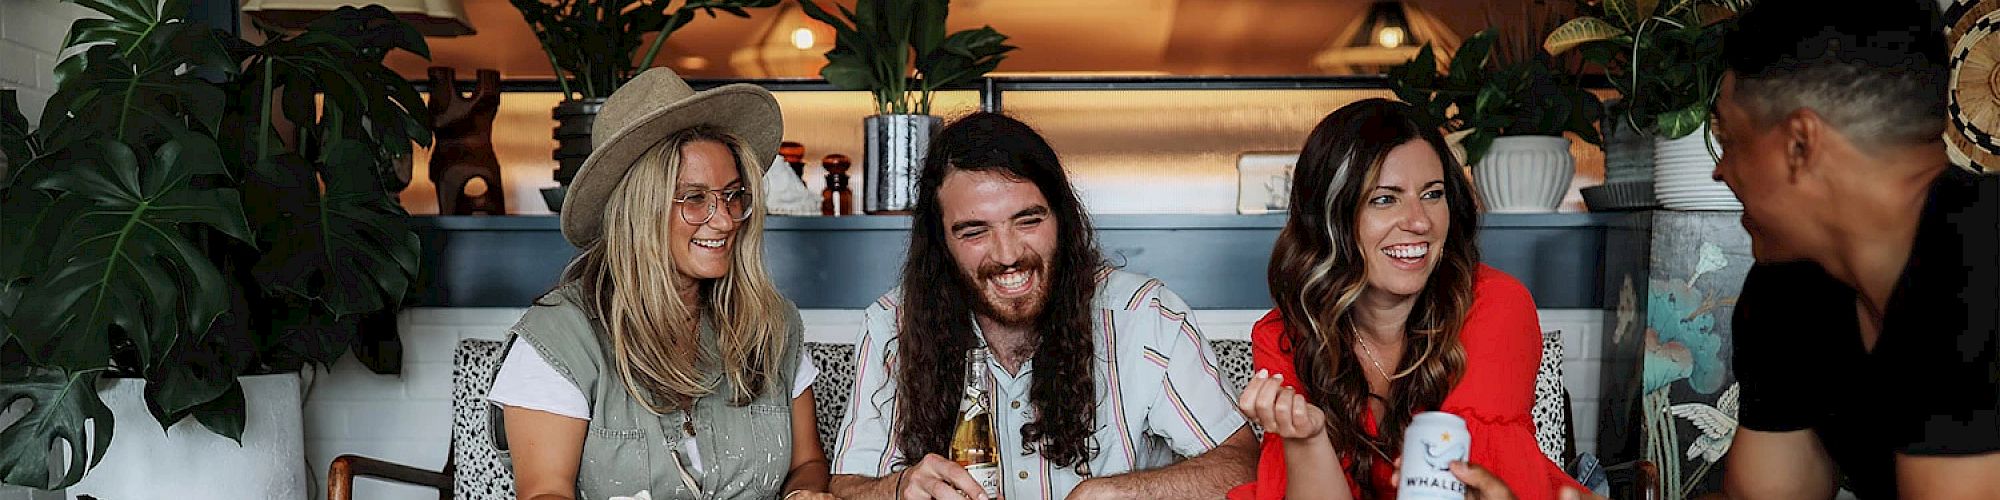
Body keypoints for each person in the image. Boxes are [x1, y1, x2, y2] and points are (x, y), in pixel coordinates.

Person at [826, 112, 1259, 500]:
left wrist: (1117, 493)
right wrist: (901, 489)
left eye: (1028, 220)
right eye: (975, 232)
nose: (1009, 253)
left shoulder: (1147, 317)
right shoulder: (892, 326)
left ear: (1062, 219)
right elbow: (846, 485)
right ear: (941, 244)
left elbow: (1241, 465)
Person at [489, 68, 838, 500]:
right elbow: (545, 493)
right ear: (639, 209)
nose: (726, 220)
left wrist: (801, 494)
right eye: (695, 199)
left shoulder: (772, 324)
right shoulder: (561, 339)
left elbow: (808, 464)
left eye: (732, 195)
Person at [1228, 99, 1587, 500]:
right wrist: (1307, 440)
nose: (1419, 222)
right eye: (1385, 199)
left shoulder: (1495, 304)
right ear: (1331, 217)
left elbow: (1454, 487)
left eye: (1433, 195)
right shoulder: (1286, 335)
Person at [1712, 0, 2000, 498]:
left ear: (1800, 145)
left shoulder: (1978, 260)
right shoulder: (1788, 288)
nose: (1721, 170)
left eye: (1730, 139)